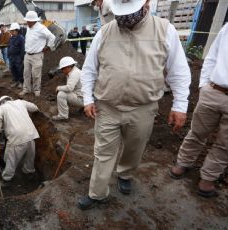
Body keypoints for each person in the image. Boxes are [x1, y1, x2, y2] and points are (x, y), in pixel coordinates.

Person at [78, 0, 191, 209]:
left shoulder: (165, 30)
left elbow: (179, 71)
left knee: (134, 147)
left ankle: (125, 173)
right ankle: (97, 193)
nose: (124, 19)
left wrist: (180, 105)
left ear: (146, 3)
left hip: (143, 108)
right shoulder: (104, 32)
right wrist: (87, 98)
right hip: (108, 107)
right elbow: (89, 69)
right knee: (103, 152)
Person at [170, 24, 228, 198]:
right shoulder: (227, 28)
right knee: (197, 132)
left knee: (225, 144)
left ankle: (207, 179)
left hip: (214, 91)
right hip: (214, 90)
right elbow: (212, 56)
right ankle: (183, 163)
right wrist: (204, 85)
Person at [0, 95, 40, 183]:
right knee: (30, 156)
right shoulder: (20, 102)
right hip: (31, 134)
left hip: (16, 137)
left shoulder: (1, 108)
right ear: (10, 99)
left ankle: (6, 179)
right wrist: (36, 110)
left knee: (11, 159)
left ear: (1, 103)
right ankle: (29, 171)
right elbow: (34, 107)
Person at [20, 11, 56, 97]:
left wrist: (48, 47)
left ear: (34, 21)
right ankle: (26, 89)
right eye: (27, 21)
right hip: (27, 55)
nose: (27, 22)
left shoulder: (41, 28)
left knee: (36, 75)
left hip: (37, 55)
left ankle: (36, 90)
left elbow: (52, 37)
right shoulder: (29, 27)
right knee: (26, 73)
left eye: (28, 21)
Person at [52, 57, 83, 121]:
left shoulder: (74, 74)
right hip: (84, 97)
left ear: (68, 67)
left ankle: (63, 116)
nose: (62, 71)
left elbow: (69, 88)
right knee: (63, 92)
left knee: (61, 94)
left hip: (82, 100)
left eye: (63, 69)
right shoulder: (75, 71)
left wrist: (59, 88)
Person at [8, 22, 25, 89]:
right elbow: (9, 46)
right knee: (13, 69)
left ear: (16, 30)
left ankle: (21, 82)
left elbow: (22, 48)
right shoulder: (12, 38)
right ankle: (16, 82)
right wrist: (9, 54)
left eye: (12, 31)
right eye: (11, 31)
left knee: (19, 70)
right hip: (12, 57)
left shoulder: (21, 38)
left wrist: (21, 57)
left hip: (18, 57)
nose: (11, 32)